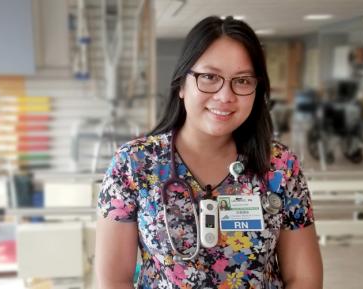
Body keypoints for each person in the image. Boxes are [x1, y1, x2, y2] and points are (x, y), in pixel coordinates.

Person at [95, 16, 323, 289]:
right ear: (181, 84)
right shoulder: (134, 165)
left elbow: (304, 278)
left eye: (242, 81)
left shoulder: (280, 167)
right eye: (209, 77)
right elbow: (114, 281)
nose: (225, 96)